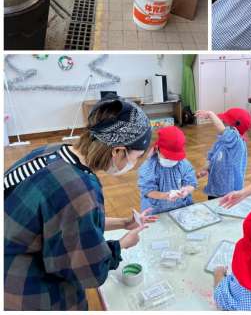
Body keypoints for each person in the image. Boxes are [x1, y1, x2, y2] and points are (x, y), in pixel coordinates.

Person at [4, 97, 156, 310]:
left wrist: (123, 222)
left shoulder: (53, 152)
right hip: (28, 289)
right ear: (117, 151)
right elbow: (90, 270)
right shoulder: (77, 189)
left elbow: (65, 224)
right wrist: (121, 244)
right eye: (137, 156)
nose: (135, 163)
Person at [138, 126, 197, 214]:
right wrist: (166, 195)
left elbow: (191, 182)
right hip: (156, 210)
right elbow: (148, 191)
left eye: (175, 157)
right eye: (167, 156)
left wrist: (187, 190)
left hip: (181, 207)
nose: (171, 160)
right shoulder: (149, 167)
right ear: (157, 149)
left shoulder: (183, 164)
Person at [195, 108, 251, 199]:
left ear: (234, 128)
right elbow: (213, 154)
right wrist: (206, 168)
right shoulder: (226, 140)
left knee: (221, 205)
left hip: (228, 189)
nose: (224, 122)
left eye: (227, 121)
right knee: (213, 201)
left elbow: (222, 130)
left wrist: (210, 114)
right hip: (216, 183)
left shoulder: (236, 141)